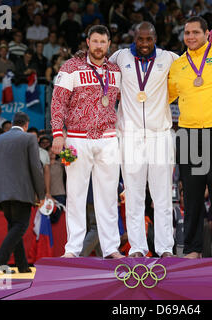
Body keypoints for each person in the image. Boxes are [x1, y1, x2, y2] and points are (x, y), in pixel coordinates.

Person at [168, 16, 212, 259]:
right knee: (193, 194)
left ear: (207, 34)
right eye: (187, 33)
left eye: (196, 32)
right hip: (188, 134)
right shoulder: (178, 65)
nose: (190, 37)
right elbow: (163, 97)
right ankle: (192, 249)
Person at [50, 25, 123, 259]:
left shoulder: (115, 70)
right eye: (95, 41)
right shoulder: (71, 67)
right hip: (76, 139)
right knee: (76, 194)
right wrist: (57, 133)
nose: (99, 46)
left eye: (103, 42)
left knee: (109, 196)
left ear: (109, 44)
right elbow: (58, 102)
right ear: (87, 42)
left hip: (109, 139)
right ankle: (72, 249)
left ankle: (111, 248)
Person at [107, 21, 178, 258]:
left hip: (160, 135)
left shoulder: (169, 58)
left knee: (163, 196)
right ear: (134, 37)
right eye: (140, 39)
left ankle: (165, 247)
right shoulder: (119, 57)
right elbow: (97, 64)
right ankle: (137, 247)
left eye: (149, 39)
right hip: (130, 135)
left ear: (155, 37)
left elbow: (194, 68)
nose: (145, 44)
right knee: (134, 194)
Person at [0, 112, 45, 274]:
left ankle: (22, 266)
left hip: (0, 194)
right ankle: (0, 261)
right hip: (21, 192)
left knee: (13, 227)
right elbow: (36, 169)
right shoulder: (29, 138)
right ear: (26, 124)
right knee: (20, 226)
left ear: (12, 122)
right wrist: (42, 194)